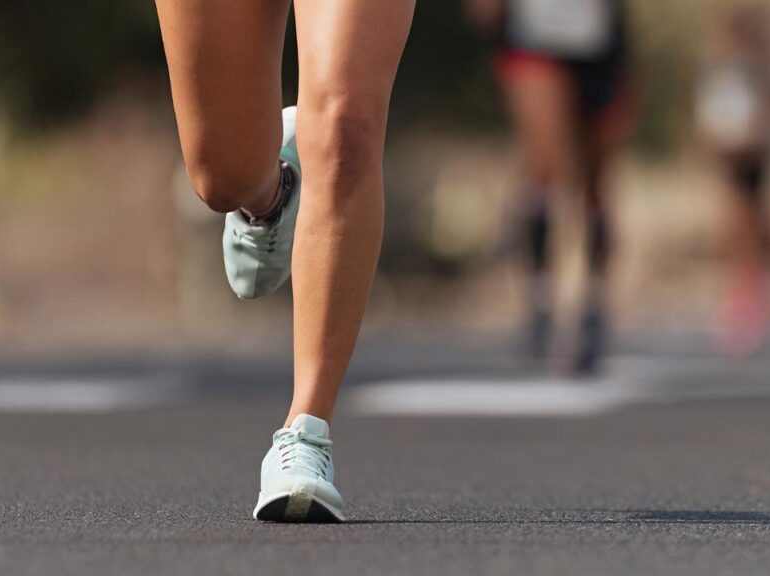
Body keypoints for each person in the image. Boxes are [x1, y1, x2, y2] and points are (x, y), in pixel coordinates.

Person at [154, 0, 415, 522]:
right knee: (221, 175)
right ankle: (272, 193)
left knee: (345, 125)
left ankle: (306, 430)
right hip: (235, 181)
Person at [467, 0, 637, 373]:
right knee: (546, 160)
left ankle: (593, 304)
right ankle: (540, 300)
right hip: (535, 35)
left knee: (596, 179)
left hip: (598, 38)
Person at [695, 4, 770, 356]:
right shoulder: (721, 72)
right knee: (733, 228)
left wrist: (764, 128)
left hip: (756, 159)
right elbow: (705, 117)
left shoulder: (764, 72)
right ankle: (742, 295)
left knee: (754, 225)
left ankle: (754, 296)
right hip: (730, 160)